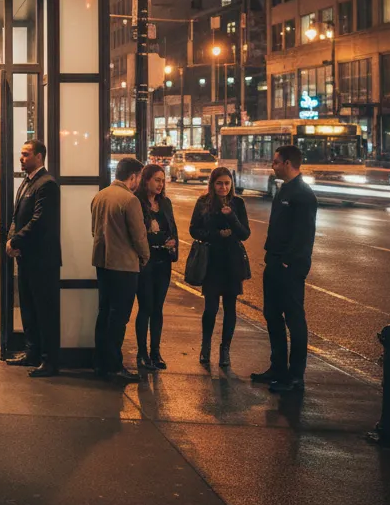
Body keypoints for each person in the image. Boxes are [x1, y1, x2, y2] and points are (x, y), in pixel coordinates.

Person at [252, 145, 318, 393]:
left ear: (288, 163)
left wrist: (288, 261)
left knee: (294, 319)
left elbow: (304, 236)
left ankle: (295, 376)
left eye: (276, 162)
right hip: (275, 262)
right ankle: (277, 368)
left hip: (289, 267)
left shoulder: (302, 194)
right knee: (271, 315)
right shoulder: (284, 190)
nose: (273, 165)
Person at [5, 140, 62, 377]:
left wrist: (16, 241)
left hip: (42, 260)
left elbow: (40, 221)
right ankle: (32, 352)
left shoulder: (47, 184)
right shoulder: (27, 183)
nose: (21, 158)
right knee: (28, 307)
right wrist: (12, 240)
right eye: (21, 154)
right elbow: (18, 216)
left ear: (39, 157)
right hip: (26, 258)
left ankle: (49, 361)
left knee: (45, 310)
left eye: (26, 154)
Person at [91, 157, 149, 382]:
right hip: (124, 265)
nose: (138, 183)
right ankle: (114, 365)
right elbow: (139, 236)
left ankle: (100, 363)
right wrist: (145, 256)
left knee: (104, 313)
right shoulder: (130, 200)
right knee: (119, 317)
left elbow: (93, 229)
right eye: (139, 178)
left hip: (102, 263)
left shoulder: (100, 196)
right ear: (133, 176)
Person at [189, 167, 251, 369]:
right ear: (212, 184)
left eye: (227, 183)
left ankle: (225, 349)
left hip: (232, 262)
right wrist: (216, 235)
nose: (223, 187)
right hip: (212, 260)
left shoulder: (238, 203)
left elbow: (244, 233)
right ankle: (205, 346)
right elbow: (194, 229)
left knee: (230, 307)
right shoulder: (204, 202)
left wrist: (231, 217)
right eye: (219, 183)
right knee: (211, 307)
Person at [134, 164, 178, 370]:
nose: (161, 184)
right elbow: (137, 234)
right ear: (146, 180)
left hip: (163, 262)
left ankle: (155, 352)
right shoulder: (137, 203)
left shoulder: (165, 203)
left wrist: (172, 243)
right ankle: (141, 352)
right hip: (145, 262)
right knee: (146, 307)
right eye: (157, 180)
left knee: (158, 309)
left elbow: (172, 228)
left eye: (163, 180)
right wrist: (154, 237)